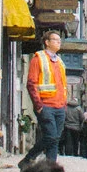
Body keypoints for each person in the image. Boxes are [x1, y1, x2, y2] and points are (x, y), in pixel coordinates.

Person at [27, 29, 70, 161]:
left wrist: (64, 105)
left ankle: (48, 167)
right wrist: (38, 105)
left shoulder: (60, 62)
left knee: (54, 139)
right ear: (47, 42)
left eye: (59, 40)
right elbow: (32, 83)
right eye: (55, 40)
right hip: (46, 105)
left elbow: (62, 85)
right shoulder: (38, 58)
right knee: (51, 137)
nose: (58, 42)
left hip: (60, 107)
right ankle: (31, 159)